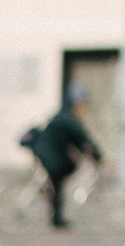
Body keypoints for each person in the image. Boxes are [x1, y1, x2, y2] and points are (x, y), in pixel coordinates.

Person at [26, 84, 103, 230]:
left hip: (48, 151)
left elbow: (77, 140)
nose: (84, 107)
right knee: (63, 171)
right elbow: (82, 137)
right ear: (74, 103)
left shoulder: (65, 116)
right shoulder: (68, 118)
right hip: (48, 153)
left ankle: (56, 218)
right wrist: (96, 154)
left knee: (58, 183)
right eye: (81, 103)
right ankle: (55, 213)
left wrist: (87, 152)